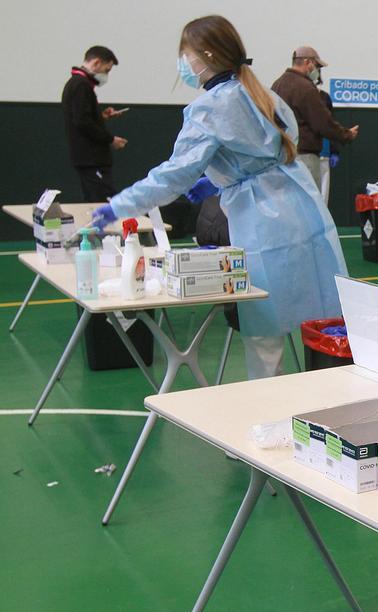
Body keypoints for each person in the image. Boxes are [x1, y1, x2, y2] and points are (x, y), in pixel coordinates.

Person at [91, 15, 348, 380]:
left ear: (206, 55)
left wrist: (120, 204)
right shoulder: (261, 92)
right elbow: (275, 145)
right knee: (322, 320)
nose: (183, 63)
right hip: (301, 206)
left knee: (265, 331)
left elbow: (173, 175)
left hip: (263, 222)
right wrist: (221, 178)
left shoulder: (209, 108)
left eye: (186, 54)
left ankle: (270, 416)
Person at [271, 45, 359, 187]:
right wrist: (346, 135)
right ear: (308, 62)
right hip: (304, 158)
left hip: (280, 157)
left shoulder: (277, 85)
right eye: (317, 66)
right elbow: (322, 123)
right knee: (309, 205)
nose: (317, 71)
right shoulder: (305, 87)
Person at [62, 46, 128, 201]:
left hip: (87, 158)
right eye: (107, 69)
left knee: (96, 200)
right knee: (101, 201)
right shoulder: (81, 85)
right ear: (97, 63)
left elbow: (82, 116)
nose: (106, 75)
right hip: (91, 159)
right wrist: (110, 139)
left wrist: (101, 116)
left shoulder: (77, 84)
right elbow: (82, 122)